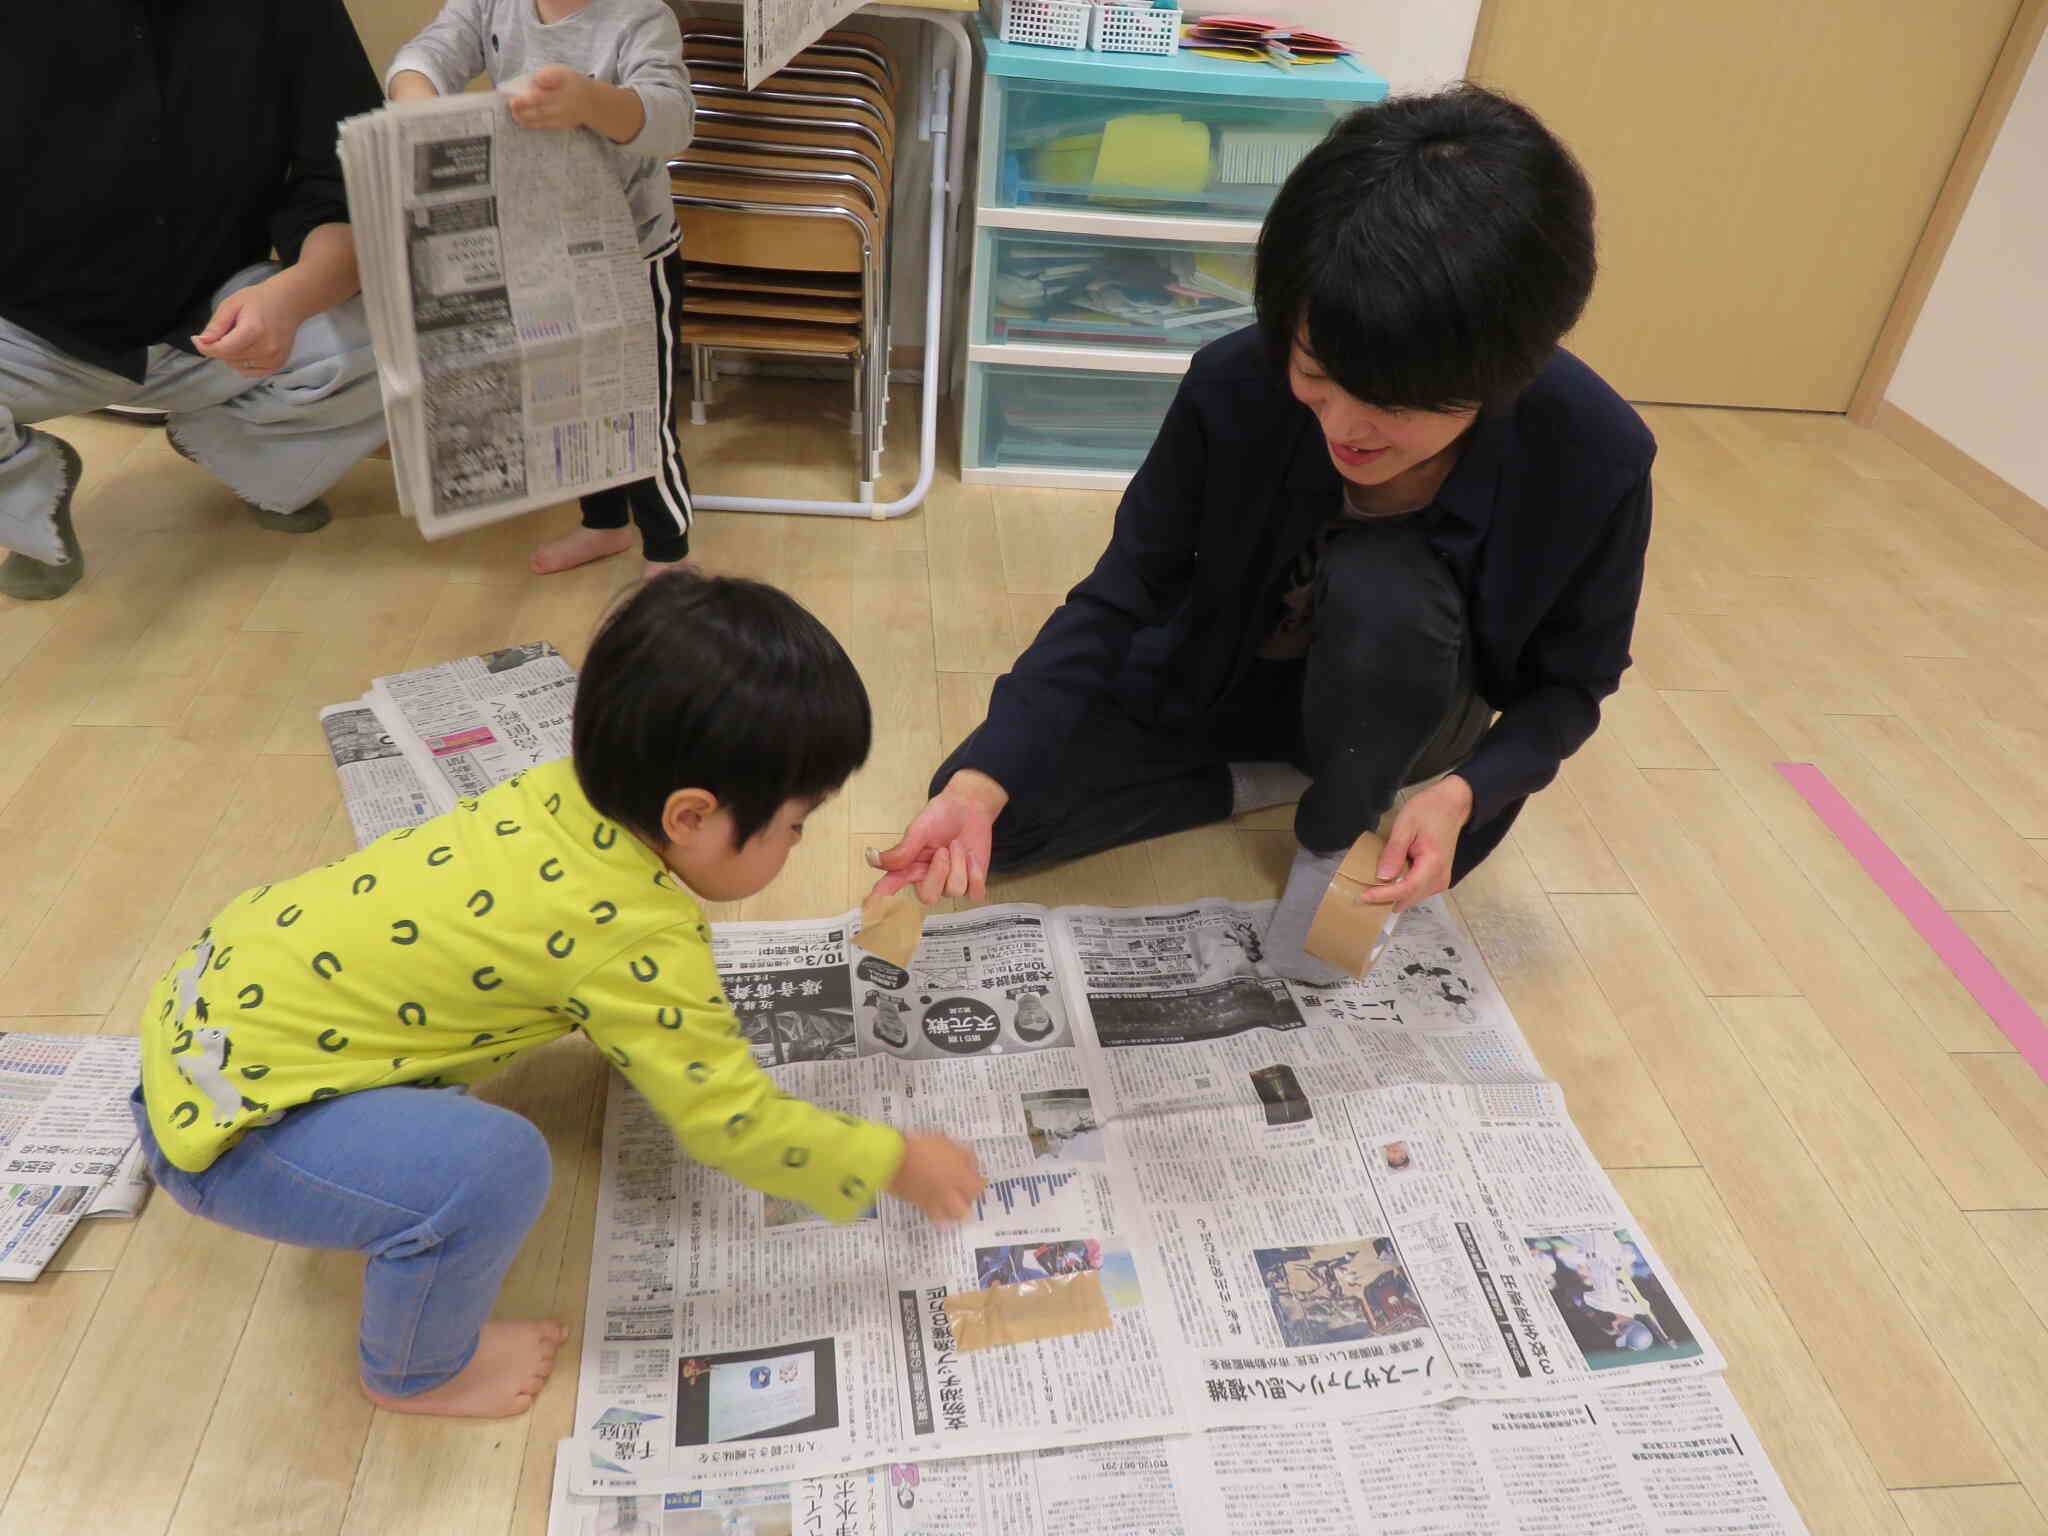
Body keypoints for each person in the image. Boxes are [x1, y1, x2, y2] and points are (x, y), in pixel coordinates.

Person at [130, 574, 985, 1420]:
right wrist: (895, 1161)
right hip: (240, 1133)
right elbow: (733, 1124)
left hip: (202, 1018)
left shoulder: (556, 790)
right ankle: (417, 1372)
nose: (798, 842)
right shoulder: (636, 935)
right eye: (795, 825)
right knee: (496, 1167)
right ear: (689, 817)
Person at [872, 85, 1654, 983]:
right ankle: (1268, 778)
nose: (1347, 427)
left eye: (1395, 403)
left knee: (1385, 598)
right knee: (994, 815)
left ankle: (1340, 810)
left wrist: (1462, 793)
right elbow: (1125, 588)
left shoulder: (1593, 452)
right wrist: (980, 783)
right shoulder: (1234, 382)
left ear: (1502, 376)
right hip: (1232, 667)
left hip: (1408, 711)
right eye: (1318, 377)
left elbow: (1574, 686)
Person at [0, 6, 392, 601]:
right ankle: (29, 494)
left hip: (224, 314)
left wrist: (292, 295)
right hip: (25, 332)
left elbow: (347, 177)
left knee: (433, 312)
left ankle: (239, 448)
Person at [388, 0, 698, 580]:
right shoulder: (491, 5)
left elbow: (674, 118)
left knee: (638, 414)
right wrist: (416, 103)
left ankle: (669, 556)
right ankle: (604, 523)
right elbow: (430, 52)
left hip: (632, 255)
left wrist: (591, 101)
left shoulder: (641, 17)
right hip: (542, 250)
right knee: (569, 401)